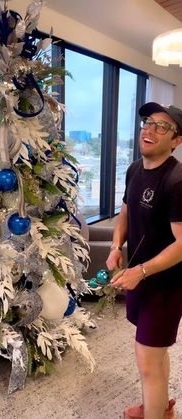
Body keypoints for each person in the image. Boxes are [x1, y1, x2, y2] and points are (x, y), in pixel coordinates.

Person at [106, 102, 182, 419]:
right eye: (148, 123)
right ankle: (160, 407)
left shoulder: (177, 181)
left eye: (162, 126)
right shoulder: (134, 170)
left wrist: (141, 271)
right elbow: (125, 213)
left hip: (165, 284)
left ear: (176, 140)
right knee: (155, 352)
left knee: (146, 361)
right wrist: (114, 246)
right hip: (139, 277)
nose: (150, 129)